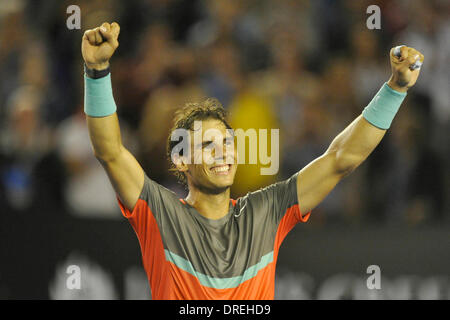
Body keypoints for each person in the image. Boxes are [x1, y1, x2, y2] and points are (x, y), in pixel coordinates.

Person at [81, 22, 424, 299]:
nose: (223, 152)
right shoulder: (158, 212)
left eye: (228, 142)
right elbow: (110, 151)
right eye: (207, 144)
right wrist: (97, 71)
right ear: (181, 159)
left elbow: (340, 159)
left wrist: (394, 90)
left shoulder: (267, 210)